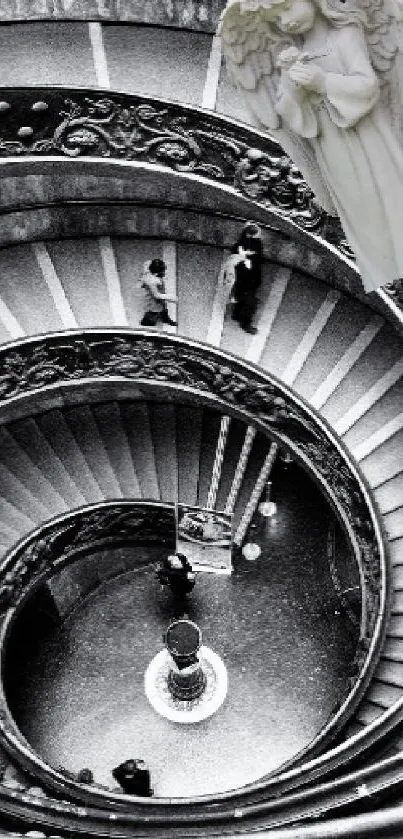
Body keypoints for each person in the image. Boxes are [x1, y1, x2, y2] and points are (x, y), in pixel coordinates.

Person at [219, 0, 403, 293]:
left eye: (288, 8)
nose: (285, 21)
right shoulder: (293, 57)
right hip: (332, 147)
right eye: (276, 18)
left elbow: (367, 86)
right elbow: (287, 113)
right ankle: (389, 267)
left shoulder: (346, 36)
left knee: (388, 197)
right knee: (359, 208)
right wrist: (292, 88)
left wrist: (321, 81)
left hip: (369, 140)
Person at [230, 223, 263, 334]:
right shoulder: (256, 244)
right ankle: (245, 322)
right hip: (248, 277)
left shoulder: (241, 244)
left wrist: (246, 257)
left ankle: (236, 314)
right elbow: (258, 258)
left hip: (244, 276)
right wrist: (247, 258)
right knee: (249, 301)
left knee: (241, 295)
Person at [139, 258, 178, 327]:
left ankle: (165, 319)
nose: (164, 273)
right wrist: (170, 297)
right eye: (163, 271)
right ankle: (146, 324)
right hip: (153, 303)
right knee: (153, 314)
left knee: (164, 309)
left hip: (159, 299)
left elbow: (147, 262)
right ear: (156, 273)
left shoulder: (150, 272)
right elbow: (156, 295)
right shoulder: (152, 281)